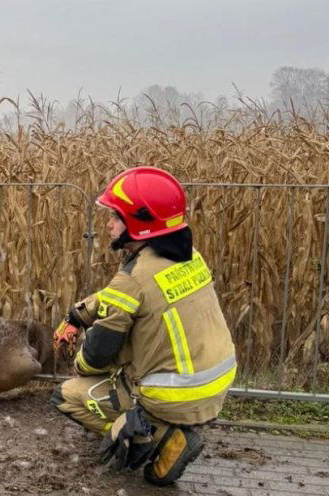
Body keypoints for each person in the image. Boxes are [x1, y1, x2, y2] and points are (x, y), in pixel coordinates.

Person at [49, 167, 237, 486]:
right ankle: (157, 427)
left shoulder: (132, 279)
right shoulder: (189, 256)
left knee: (65, 395)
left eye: (115, 216)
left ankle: (162, 439)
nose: (108, 224)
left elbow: (96, 354)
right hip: (217, 381)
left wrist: (78, 364)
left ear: (139, 224)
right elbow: (122, 295)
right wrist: (77, 316)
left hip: (173, 392)